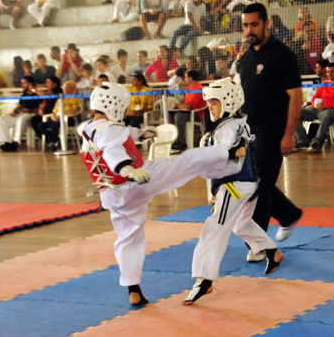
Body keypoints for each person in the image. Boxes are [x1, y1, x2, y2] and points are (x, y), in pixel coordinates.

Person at [79, 82, 233, 306]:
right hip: (136, 180)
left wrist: (141, 133)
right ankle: (227, 152)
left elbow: (112, 138)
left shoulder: (88, 128)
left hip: (114, 195)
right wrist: (127, 168)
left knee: (129, 238)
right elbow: (112, 151)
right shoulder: (109, 131)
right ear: (115, 105)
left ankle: (133, 288)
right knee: (184, 162)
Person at [183, 78, 284, 305]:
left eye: (215, 103)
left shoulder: (230, 127)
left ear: (229, 102)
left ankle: (204, 280)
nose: (210, 107)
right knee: (239, 224)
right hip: (244, 184)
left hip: (235, 185)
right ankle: (270, 251)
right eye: (209, 103)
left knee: (214, 227)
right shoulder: (233, 124)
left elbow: (236, 151)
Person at [238, 3, 304, 254]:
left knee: (260, 186)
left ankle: (258, 246)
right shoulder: (245, 59)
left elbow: (296, 97)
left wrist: (289, 134)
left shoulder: (281, 54)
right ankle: (288, 214)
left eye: (254, 24)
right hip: (250, 130)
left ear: (266, 24)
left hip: (274, 130)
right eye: (245, 25)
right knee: (253, 181)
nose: (249, 30)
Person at [295, 63, 334, 152]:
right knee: (294, 113)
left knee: (327, 114)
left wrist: (326, 105)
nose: (329, 74)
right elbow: (314, 98)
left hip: (330, 110)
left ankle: (316, 141)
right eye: (327, 72)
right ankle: (302, 141)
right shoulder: (325, 84)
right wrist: (315, 104)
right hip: (317, 110)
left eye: (332, 72)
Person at [0, 76, 41, 151]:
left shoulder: (37, 94)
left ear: (30, 83)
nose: (22, 85)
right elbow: (19, 105)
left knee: (21, 119)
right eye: (22, 83)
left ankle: (16, 142)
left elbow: (40, 109)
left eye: (24, 83)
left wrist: (29, 110)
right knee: (2, 119)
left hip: (31, 114)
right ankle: (6, 141)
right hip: (20, 113)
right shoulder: (24, 95)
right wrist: (14, 111)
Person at [38, 80, 81, 151]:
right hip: (57, 118)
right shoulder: (60, 98)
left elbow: (76, 110)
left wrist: (63, 116)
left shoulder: (74, 98)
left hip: (68, 119)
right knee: (41, 126)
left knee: (54, 126)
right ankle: (55, 141)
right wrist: (53, 116)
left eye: (68, 88)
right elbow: (54, 111)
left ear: (73, 89)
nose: (66, 90)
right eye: (65, 88)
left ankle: (56, 142)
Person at [169, 69, 206, 151]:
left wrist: (177, 105)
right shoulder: (189, 87)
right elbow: (185, 102)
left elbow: (189, 106)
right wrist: (178, 105)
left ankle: (182, 141)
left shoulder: (199, 88)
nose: (184, 79)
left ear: (190, 78)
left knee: (178, 116)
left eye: (185, 77)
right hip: (187, 112)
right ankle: (174, 139)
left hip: (196, 114)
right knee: (170, 114)